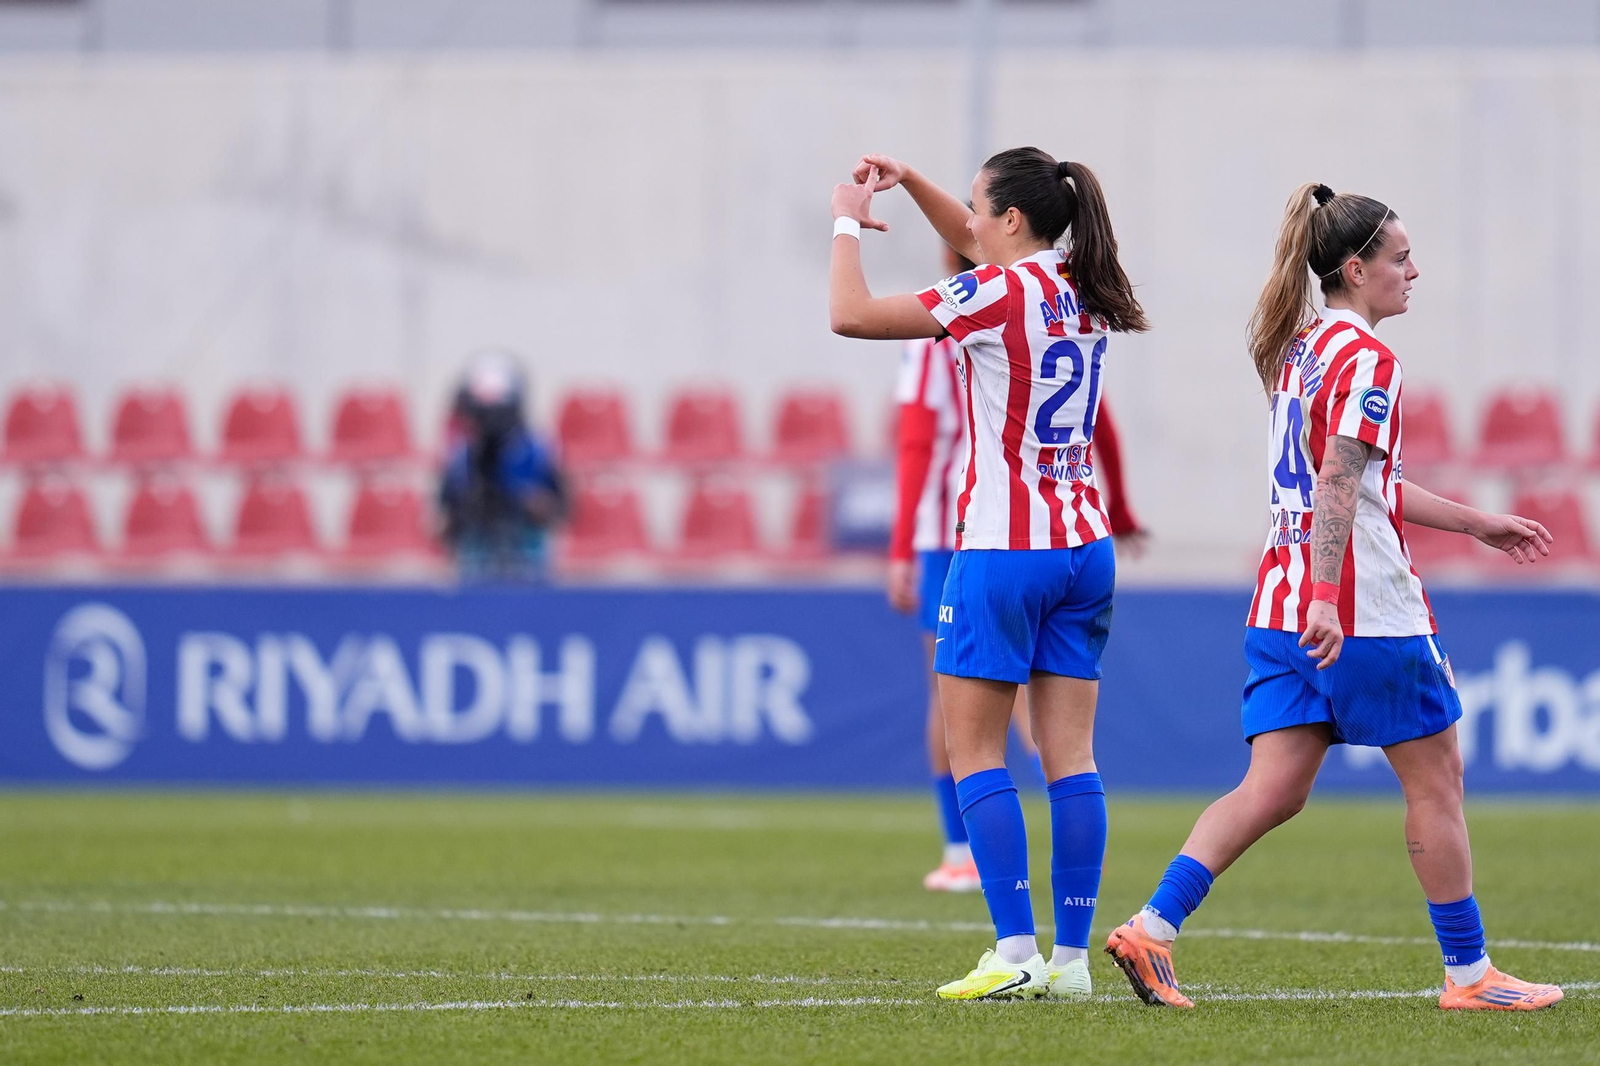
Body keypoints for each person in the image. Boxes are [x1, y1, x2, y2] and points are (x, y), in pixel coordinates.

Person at [1104, 183, 1563, 1012]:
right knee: (1437, 783)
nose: (1414, 272)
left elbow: (1369, 481)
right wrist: (1328, 596)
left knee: (1270, 789)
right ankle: (1470, 976)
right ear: (1356, 268)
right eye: (1399, 258)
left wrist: (1476, 524)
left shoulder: (1301, 348)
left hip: (1279, 604)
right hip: (1358, 609)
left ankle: (1151, 927)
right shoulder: (1369, 359)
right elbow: (1339, 481)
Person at [831, 146, 1148, 1000]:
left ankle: (1013, 952)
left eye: (978, 204)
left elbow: (850, 315)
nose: (966, 219)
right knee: (1070, 758)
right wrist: (920, 186)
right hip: (1084, 548)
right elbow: (977, 244)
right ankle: (1074, 963)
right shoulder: (1086, 281)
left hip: (1002, 548)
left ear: (1011, 219)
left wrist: (845, 223)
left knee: (976, 751)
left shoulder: (995, 294)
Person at [888, 268, 1146, 893]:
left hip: (970, 531)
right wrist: (1123, 507)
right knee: (1060, 736)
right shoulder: (1071, 299)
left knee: (956, 712)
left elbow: (917, 441)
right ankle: (1075, 887)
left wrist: (900, 546)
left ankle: (963, 854)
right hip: (1070, 531)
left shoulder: (951, 316)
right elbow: (1100, 420)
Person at [438, 350, 568, 580]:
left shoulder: (537, 451)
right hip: (475, 562)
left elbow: (563, 510)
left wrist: (535, 504)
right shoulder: (461, 456)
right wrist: (466, 510)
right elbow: (444, 523)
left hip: (527, 560)